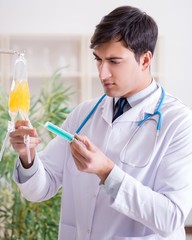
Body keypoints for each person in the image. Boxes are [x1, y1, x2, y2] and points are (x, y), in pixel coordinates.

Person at [10, 5, 192, 240]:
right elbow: (40, 189)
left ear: (145, 60)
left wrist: (107, 172)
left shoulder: (179, 122)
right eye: (98, 60)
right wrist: (28, 155)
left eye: (114, 61)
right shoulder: (84, 113)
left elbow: (170, 218)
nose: (102, 73)